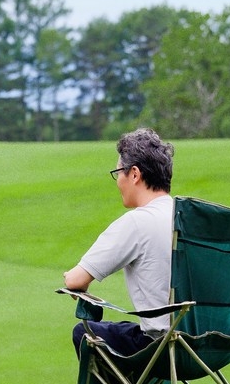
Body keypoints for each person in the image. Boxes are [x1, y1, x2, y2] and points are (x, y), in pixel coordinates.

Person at [62, 128, 176, 358]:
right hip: (214, 344)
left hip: (164, 346)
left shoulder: (137, 222)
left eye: (118, 173)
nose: (118, 182)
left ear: (134, 174)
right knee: (125, 332)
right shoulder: (195, 218)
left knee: (86, 334)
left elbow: (75, 280)